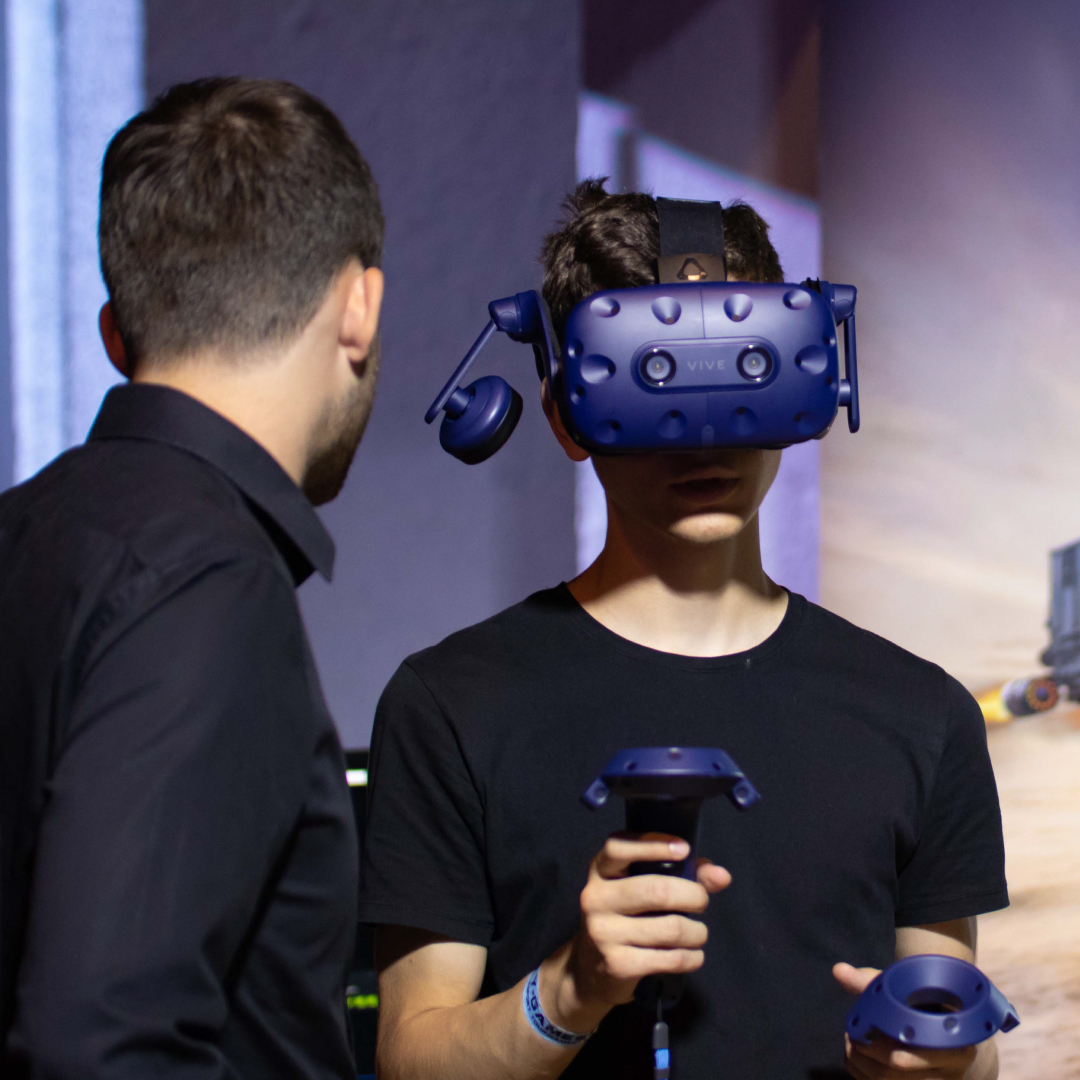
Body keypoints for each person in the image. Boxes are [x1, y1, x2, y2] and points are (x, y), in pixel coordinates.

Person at [359, 180, 1008, 1080]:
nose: (704, 439)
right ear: (566, 413)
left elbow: (961, 1042)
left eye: (744, 375)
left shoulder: (924, 715)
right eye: (654, 380)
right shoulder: (450, 706)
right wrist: (569, 991)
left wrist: (943, 1065)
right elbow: (410, 1057)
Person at [0, 78, 384, 1078]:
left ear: (116, 335)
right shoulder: (210, 584)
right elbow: (101, 1040)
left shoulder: (24, 534)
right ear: (359, 305)